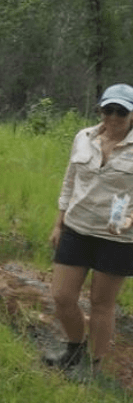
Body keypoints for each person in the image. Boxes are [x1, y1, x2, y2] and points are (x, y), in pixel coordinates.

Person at [45, 83, 133, 374]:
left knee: (101, 304)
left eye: (122, 111)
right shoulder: (83, 137)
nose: (115, 117)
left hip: (117, 237)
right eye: (109, 109)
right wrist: (59, 222)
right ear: (100, 109)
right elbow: (69, 181)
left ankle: (95, 369)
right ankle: (74, 348)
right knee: (62, 296)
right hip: (77, 227)